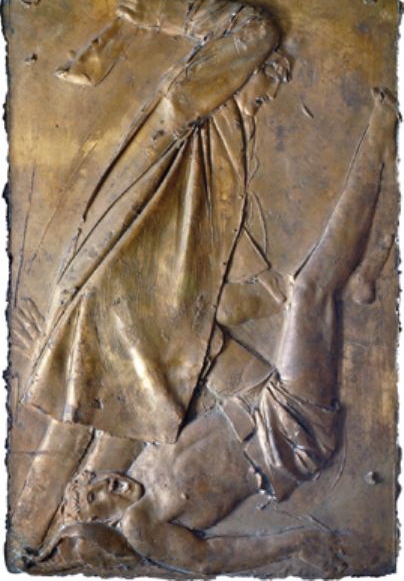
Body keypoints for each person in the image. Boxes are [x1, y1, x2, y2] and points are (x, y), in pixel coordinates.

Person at [23, 85, 398, 576]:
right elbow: (208, 560)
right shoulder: (140, 528)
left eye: (92, 483)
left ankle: (369, 261)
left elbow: (142, 401)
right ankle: (381, 134)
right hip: (288, 437)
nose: (105, 485)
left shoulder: (136, 475)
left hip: (255, 403)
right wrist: (299, 542)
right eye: (95, 501)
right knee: (310, 289)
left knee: (191, 332)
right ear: (100, 530)